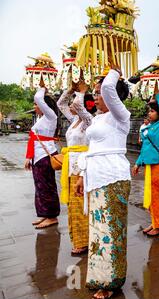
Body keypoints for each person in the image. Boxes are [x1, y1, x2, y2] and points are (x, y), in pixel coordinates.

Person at [75, 67, 131, 299]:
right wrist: (81, 174)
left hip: (114, 177)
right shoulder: (98, 118)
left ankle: (111, 281)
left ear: (113, 97)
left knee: (111, 231)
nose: (96, 97)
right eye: (95, 93)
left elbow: (109, 87)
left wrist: (114, 71)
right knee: (98, 232)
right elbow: (78, 109)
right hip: (95, 177)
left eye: (98, 93)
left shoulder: (122, 116)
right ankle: (99, 277)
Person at [57, 81, 94, 254]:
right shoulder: (74, 121)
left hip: (82, 167)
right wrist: (72, 89)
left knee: (81, 205)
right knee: (73, 206)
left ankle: (84, 240)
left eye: (76, 102)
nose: (71, 105)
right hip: (70, 166)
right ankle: (77, 238)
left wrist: (82, 90)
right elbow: (60, 104)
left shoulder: (89, 121)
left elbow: (77, 104)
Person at [132, 90, 159, 237]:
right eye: (149, 111)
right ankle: (155, 221)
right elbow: (145, 149)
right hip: (149, 165)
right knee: (151, 196)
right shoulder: (149, 128)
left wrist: (157, 93)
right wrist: (137, 163)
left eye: (153, 111)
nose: (150, 113)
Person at [25, 82, 60, 229]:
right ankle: (45, 214)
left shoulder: (50, 116)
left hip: (46, 156)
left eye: (36, 104)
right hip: (38, 157)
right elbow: (33, 140)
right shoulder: (41, 119)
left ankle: (52, 217)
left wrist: (42, 86)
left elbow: (39, 97)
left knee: (47, 186)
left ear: (44, 105)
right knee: (40, 187)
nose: (35, 106)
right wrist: (29, 157)